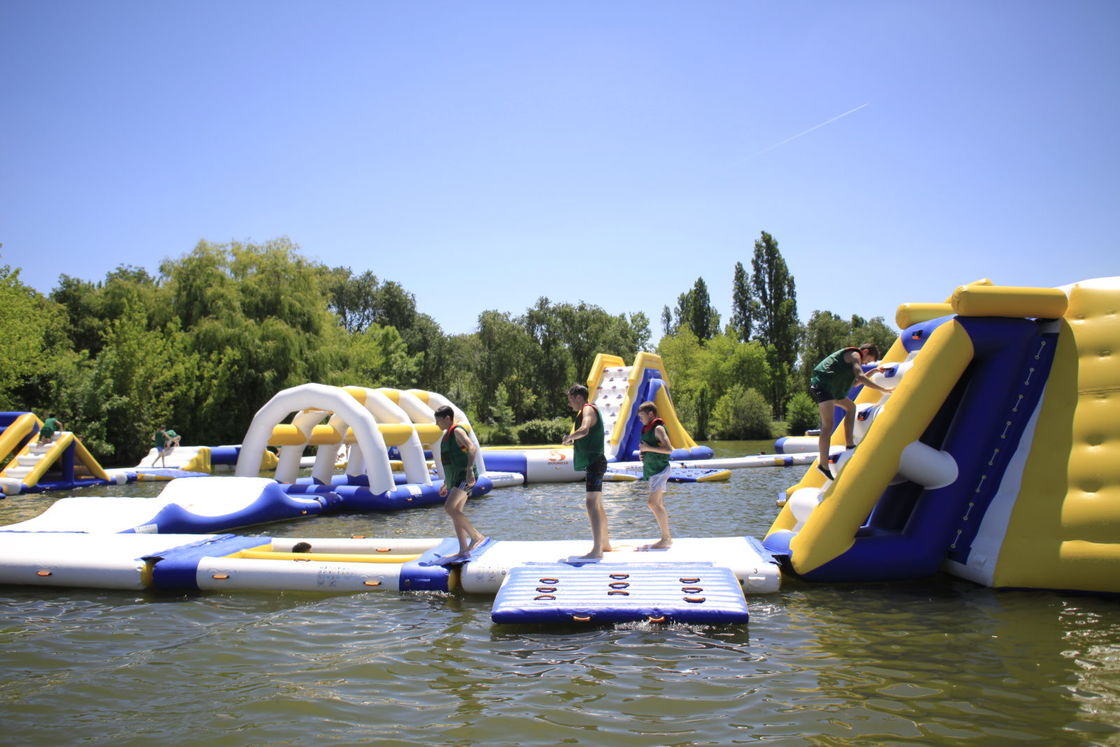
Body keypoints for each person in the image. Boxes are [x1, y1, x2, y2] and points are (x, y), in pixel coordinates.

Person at [809, 343, 894, 479]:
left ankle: (849, 444)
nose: (865, 363)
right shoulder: (855, 355)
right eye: (868, 360)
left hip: (831, 389)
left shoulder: (853, 362)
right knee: (827, 426)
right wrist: (882, 389)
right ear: (865, 351)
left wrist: (874, 371)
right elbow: (860, 377)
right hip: (823, 386)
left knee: (851, 407)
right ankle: (823, 465)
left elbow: (855, 383)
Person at [561, 384, 611, 559]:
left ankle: (597, 550)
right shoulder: (589, 409)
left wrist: (569, 438)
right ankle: (605, 544)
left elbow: (584, 429)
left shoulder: (588, 409)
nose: (569, 404)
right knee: (597, 504)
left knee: (591, 504)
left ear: (578, 398)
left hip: (595, 462)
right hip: (596, 462)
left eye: (570, 400)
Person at [434, 405, 487, 561]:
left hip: (465, 477)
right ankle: (463, 549)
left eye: (438, 421)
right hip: (456, 478)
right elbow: (450, 462)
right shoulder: (446, 436)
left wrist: (470, 469)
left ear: (447, 418)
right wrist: (446, 482)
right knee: (456, 511)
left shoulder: (457, 431)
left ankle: (476, 537)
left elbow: (472, 447)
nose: (436, 424)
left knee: (449, 507)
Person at [636, 401, 673, 550]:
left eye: (642, 416)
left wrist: (648, 448)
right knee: (657, 504)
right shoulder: (646, 430)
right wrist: (643, 454)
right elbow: (649, 448)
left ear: (651, 414)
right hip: (654, 471)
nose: (641, 420)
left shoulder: (658, 428)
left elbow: (669, 449)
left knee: (652, 503)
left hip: (660, 470)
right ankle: (666, 538)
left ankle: (666, 537)